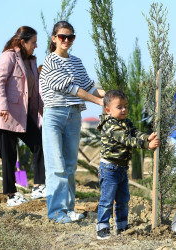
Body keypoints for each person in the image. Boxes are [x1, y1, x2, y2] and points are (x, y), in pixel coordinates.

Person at [39, 21, 105, 224]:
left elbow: (90, 87)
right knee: (56, 165)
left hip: (75, 116)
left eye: (70, 37)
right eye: (62, 37)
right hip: (54, 115)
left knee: (69, 165)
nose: (66, 40)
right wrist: (100, 102)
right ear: (54, 38)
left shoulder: (76, 62)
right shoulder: (50, 62)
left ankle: (67, 209)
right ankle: (56, 212)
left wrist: (113, 98)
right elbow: (73, 89)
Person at [0, 26, 46, 206]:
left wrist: (41, 112)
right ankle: (11, 195)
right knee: (9, 155)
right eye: (33, 42)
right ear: (22, 42)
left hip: (24, 113)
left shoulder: (31, 61)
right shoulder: (8, 56)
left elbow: (34, 91)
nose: (36, 46)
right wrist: (3, 106)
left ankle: (39, 186)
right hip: (6, 114)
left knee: (38, 144)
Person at [96, 90, 160, 240]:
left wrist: (147, 137)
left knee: (123, 199)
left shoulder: (126, 122)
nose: (124, 109)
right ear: (108, 110)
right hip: (109, 169)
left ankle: (122, 226)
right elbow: (127, 139)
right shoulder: (110, 125)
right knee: (107, 200)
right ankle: (102, 227)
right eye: (119, 107)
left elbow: (135, 133)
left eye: (125, 106)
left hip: (122, 169)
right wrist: (147, 145)